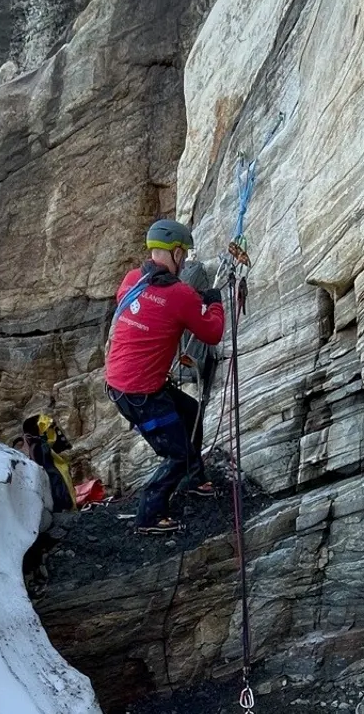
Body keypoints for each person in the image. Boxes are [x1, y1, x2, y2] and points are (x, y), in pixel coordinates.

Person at [104, 220, 226, 534]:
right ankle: (149, 515)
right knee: (176, 453)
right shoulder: (180, 294)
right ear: (174, 252)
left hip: (124, 382)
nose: (184, 260)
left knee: (191, 413)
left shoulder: (132, 280)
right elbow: (212, 332)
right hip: (141, 393)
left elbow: (143, 310)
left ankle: (193, 477)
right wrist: (213, 303)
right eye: (182, 254)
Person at [20, 410, 74, 515]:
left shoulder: (34, 445)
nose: (54, 432)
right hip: (59, 504)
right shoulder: (40, 447)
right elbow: (55, 476)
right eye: (50, 429)